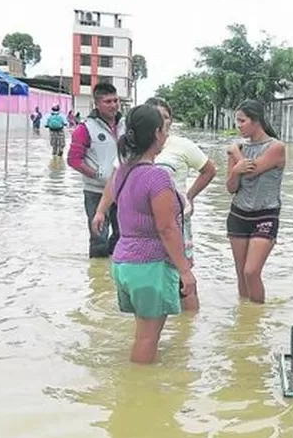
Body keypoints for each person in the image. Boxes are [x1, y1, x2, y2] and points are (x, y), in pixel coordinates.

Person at [93, 96, 218, 312]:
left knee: (174, 293)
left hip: (140, 246)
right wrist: (100, 211)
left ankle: (186, 333)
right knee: (150, 329)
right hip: (152, 242)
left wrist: (187, 197)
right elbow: (165, 227)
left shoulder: (180, 147)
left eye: (166, 117)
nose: (164, 124)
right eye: (158, 119)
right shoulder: (148, 171)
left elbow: (209, 170)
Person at [93, 104, 194, 364]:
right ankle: (138, 398)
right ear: (158, 134)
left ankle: (137, 392)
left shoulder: (123, 172)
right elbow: (166, 227)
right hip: (149, 266)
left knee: (142, 334)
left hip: (124, 263)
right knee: (148, 338)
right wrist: (185, 270)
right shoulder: (156, 177)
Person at [226, 99, 286, 304]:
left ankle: (258, 317)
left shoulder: (276, 147)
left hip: (265, 214)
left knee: (251, 272)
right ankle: (246, 320)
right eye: (237, 121)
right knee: (241, 274)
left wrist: (236, 155)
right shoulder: (239, 147)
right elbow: (231, 187)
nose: (238, 126)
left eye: (242, 121)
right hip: (238, 214)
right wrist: (235, 169)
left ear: (256, 120)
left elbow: (251, 172)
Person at [67, 83, 125, 258]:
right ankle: (97, 278)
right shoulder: (85, 129)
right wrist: (98, 175)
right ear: (97, 104)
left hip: (122, 191)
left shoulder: (126, 125)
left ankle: (113, 275)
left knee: (122, 235)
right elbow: (73, 160)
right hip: (95, 192)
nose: (113, 105)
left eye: (116, 100)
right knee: (98, 237)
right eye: (108, 101)